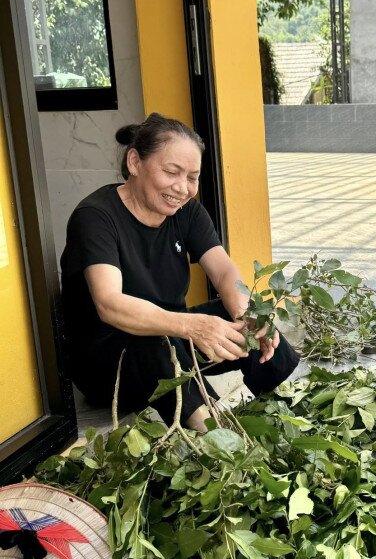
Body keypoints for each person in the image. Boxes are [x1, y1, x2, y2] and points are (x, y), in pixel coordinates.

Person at [60, 113, 298, 430]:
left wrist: (246, 314)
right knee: (157, 338)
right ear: (134, 162)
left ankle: (288, 414)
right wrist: (190, 325)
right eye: (172, 172)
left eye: (192, 177)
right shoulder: (96, 216)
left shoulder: (187, 213)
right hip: (109, 367)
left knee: (247, 317)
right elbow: (109, 303)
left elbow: (224, 271)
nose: (182, 188)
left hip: (170, 342)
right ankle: (221, 440)